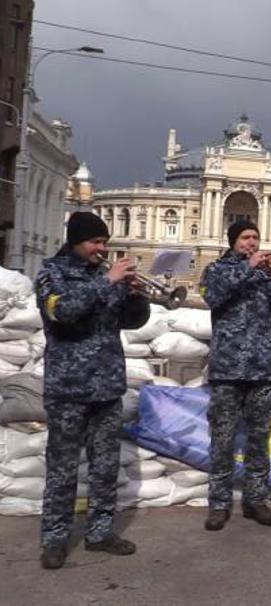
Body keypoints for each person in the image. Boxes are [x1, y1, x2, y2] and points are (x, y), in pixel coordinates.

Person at [36, 211, 150, 569]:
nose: (102, 249)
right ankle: (55, 539)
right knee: (63, 468)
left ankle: (101, 532)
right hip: (68, 388)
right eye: (96, 242)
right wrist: (107, 283)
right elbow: (63, 311)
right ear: (76, 241)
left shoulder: (105, 276)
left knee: (105, 466)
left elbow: (132, 322)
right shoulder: (51, 274)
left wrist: (135, 297)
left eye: (105, 243)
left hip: (106, 386)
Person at [199, 220, 271, 531]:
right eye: (245, 238)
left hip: (260, 369)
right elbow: (213, 297)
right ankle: (219, 503)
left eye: (255, 238)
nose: (252, 243)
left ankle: (256, 499)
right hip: (227, 369)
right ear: (233, 242)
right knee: (222, 439)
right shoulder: (216, 269)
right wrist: (247, 268)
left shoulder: (266, 273)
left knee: (259, 440)